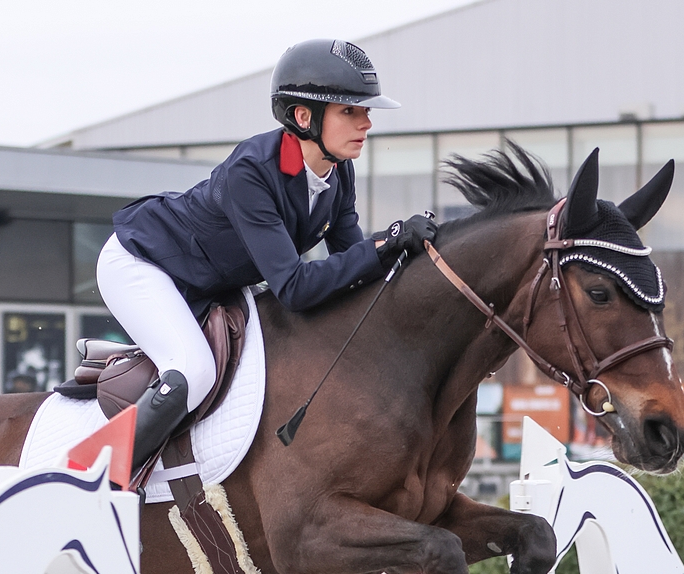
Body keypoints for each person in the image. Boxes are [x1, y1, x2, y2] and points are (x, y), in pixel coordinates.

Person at [97, 38, 438, 470]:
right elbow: (294, 288)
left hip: (211, 282)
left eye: (366, 111)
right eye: (350, 111)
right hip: (140, 263)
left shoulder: (338, 173)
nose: (367, 123)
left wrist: (407, 254)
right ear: (303, 117)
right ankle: (95, 476)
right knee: (194, 370)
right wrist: (385, 243)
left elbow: (355, 263)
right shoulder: (251, 172)